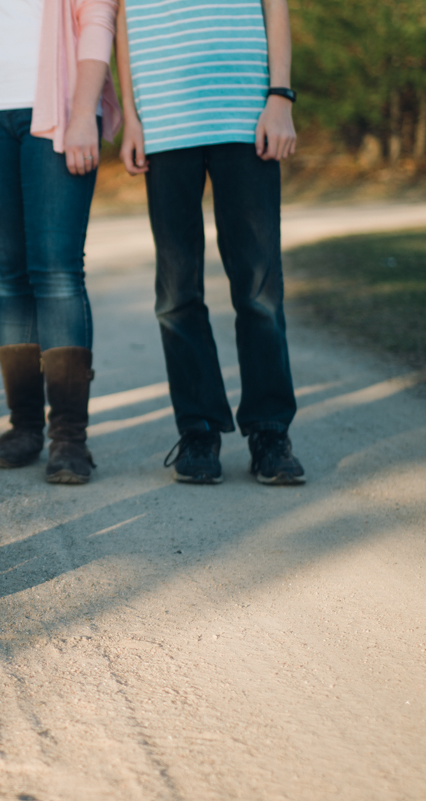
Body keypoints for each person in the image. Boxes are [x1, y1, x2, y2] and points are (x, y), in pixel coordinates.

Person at [116, 0, 305, 485]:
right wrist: (131, 117)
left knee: (259, 289)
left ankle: (269, 431)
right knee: (177, 293)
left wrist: (280, 96)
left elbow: (274, 5)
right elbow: (122, 19)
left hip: (246, 119)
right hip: (165, 125)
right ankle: (199, 429)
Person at [0, 0, 121, 485]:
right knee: (8, 274)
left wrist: (85, 111)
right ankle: (23, 427)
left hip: (59, 105)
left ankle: (69, 438)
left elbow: (98, 17)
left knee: (58, 271)